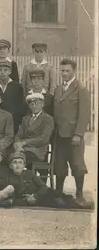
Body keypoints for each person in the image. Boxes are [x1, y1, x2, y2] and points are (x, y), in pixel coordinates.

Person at [53, 59, 90, 206]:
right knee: (60, 164)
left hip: (73, 135)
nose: (64, 74)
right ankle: (58, 194)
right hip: (59, 134)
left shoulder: (81, 89)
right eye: (62, 70)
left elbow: (84, 114)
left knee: (77, 164)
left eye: (67, 71)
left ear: (74, 71)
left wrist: (78, 134)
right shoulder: (57, 89)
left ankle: (79, 193)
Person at [8, 152, 92, 209]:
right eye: (15, 162)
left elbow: (43, 187)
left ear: (24, 165)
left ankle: (80, 205)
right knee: (57, 202)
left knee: (60, 198)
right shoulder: (9, 179)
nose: (17, 165)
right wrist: (26, 200)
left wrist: (34, 196)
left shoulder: (30, 174)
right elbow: (12, 199)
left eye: (20, 162)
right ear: (11, 166)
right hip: (33, 201)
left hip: (43, 194)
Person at [14, 93, 55, 171]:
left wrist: (25, 142)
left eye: (36, 103)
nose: (34, 106)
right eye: (31, 104)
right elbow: (19, 135)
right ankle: (18, 181)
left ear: (42, 104)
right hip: (23, 149)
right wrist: (17, 144)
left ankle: (26, 180)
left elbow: (43, 139)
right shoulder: (25, 119)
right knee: (7, 157)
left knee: (18, 158)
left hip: (38, 151)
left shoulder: (48, 119)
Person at [0, 60, 25, 133]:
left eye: (5, 70)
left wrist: (20, 122)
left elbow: (21, 106)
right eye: (0, 70)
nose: (2, 72)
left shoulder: (17, 87)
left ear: (10, 72)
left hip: (13, 122)